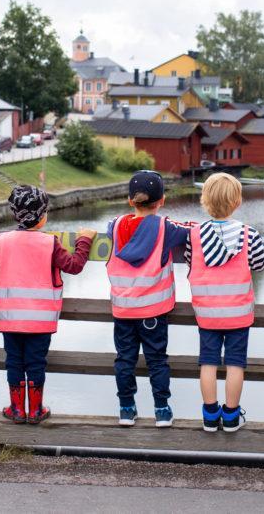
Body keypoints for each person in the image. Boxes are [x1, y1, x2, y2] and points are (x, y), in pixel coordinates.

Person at [0, 185, 96, 423]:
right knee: (35, 363)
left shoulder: (2, 241)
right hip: (41, 320)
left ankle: (17, 409)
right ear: (41, 217)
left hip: (10, 318)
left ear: (15, 214)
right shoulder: (50, 243)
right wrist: (84, 239)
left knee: (14, 361)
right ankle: (36, 410)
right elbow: (74, 265)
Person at [106, 170, 190, 428]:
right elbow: (188, 232)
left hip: (123, 310)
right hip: (153, 310)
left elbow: (110, 227)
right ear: (162, 200)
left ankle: (126, 409)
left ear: (131, 201)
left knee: (124, 359)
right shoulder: (165, 228)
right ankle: (162, 410)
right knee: (157, 360)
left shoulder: (116, 225)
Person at [184, 173, 264, 432]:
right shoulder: (248, 234)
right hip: (239, 313)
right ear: (237, 202)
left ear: (204, 201)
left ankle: (210, 415)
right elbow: (259, 264)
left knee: (208, 362)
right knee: (235, 364)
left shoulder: (195, 235)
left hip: (207, 312)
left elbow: (190, 261)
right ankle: (231, 417)